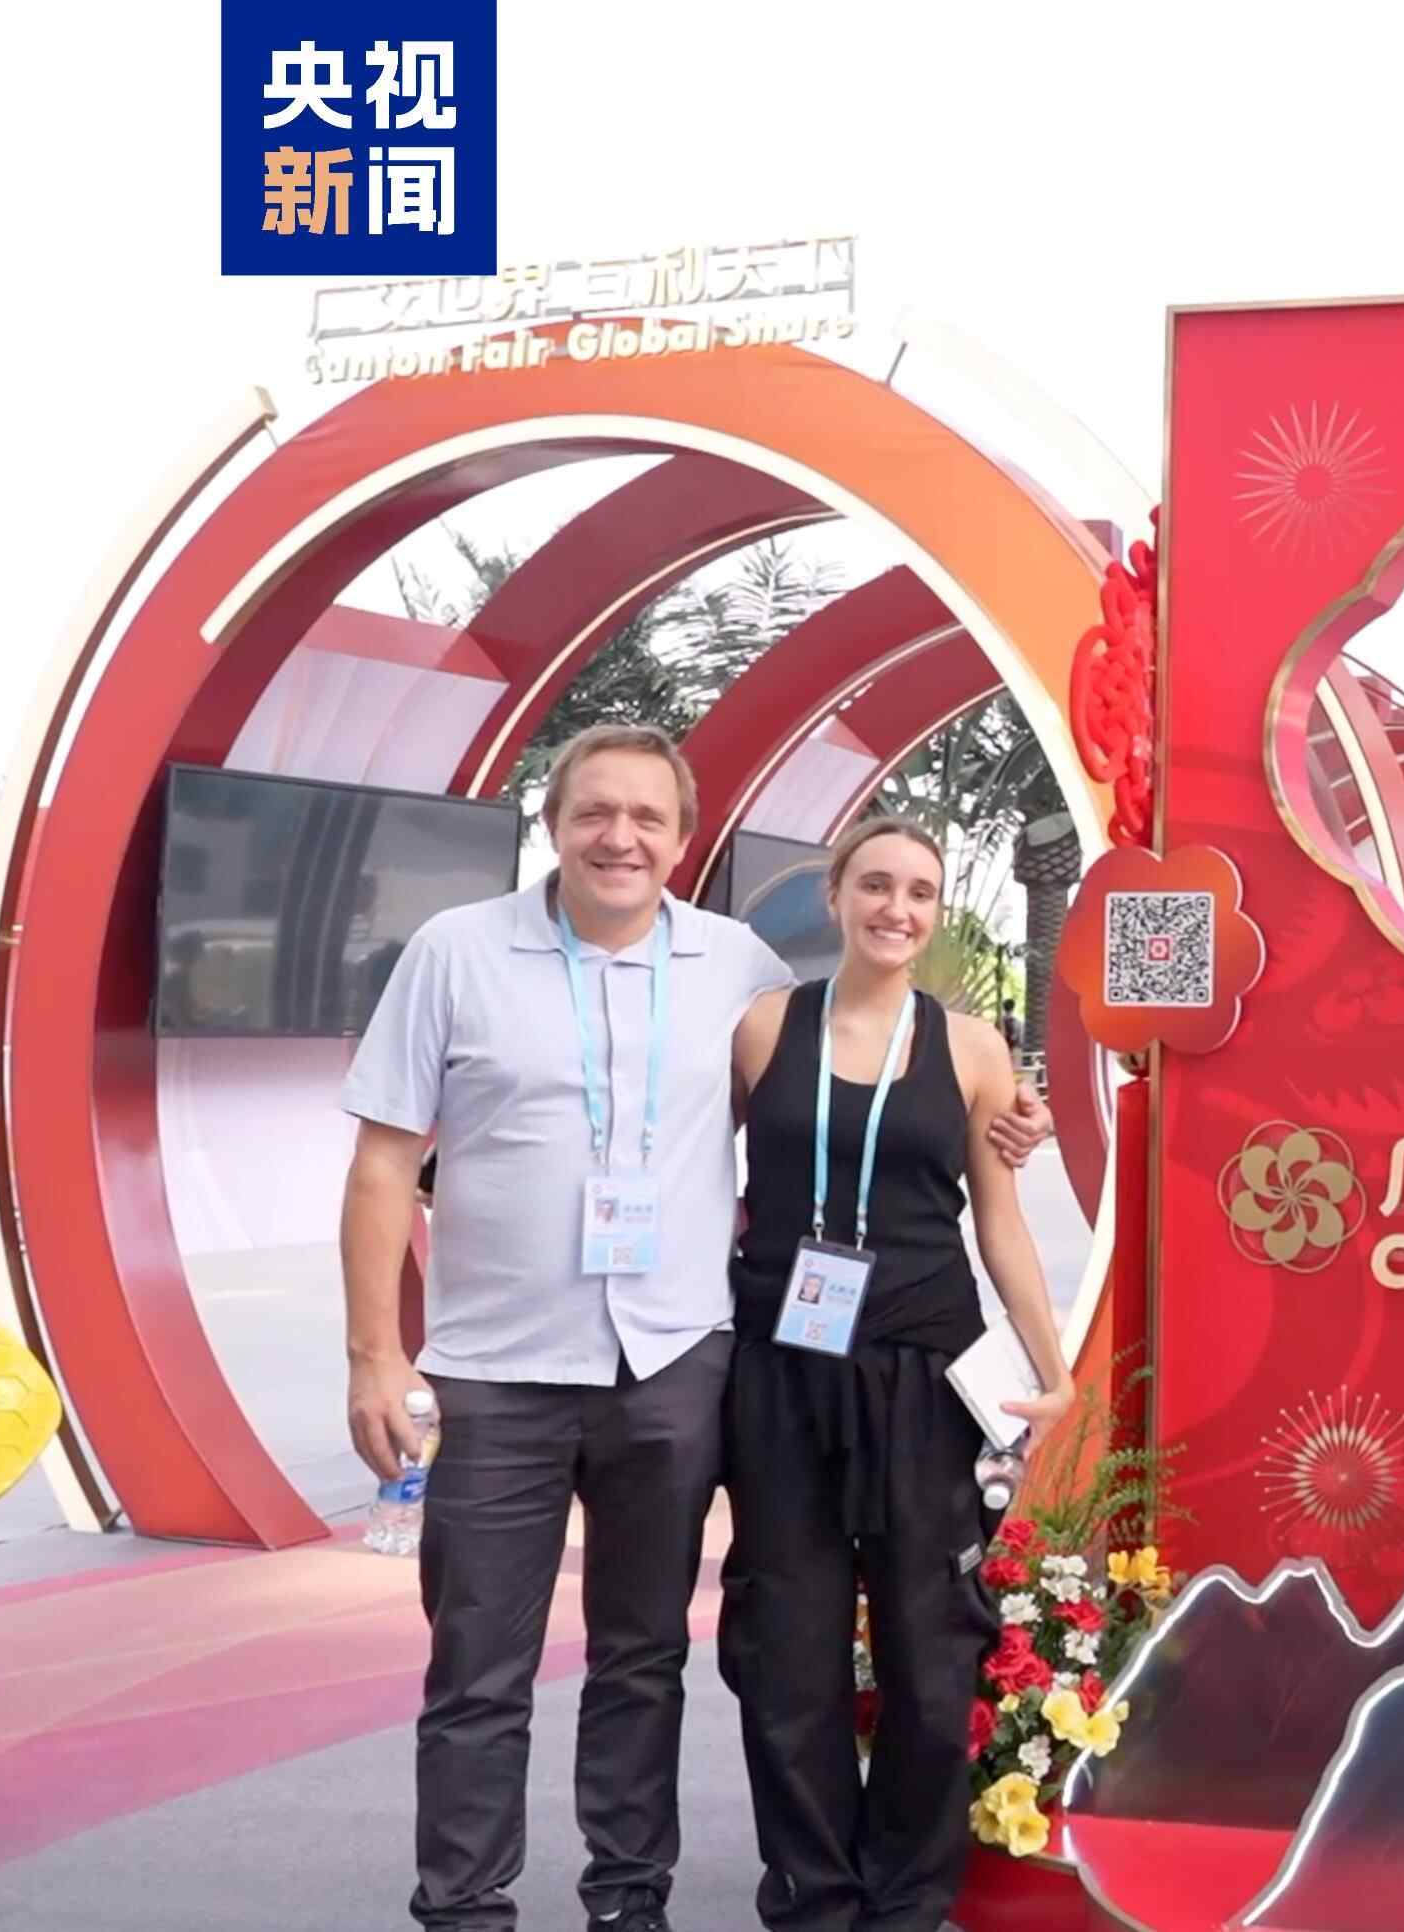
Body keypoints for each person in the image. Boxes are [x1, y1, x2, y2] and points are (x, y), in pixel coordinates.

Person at [339, 725, 1049, 1932]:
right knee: (477, 1670)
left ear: (681, 839)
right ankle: (463, 1908)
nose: (619, 838)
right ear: (552, 822)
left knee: (643, 1658)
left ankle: (629, 1903)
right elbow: (380, 1166)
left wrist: (1006, 1115)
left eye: (647, 819)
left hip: (669, 1363)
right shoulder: (457, 954)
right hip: (497, 1371)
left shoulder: (733, 969)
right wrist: (373, 1356)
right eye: (594, 813)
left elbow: (854, 1076)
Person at [722, 817, 1075, 1932]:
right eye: (875, 885)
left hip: (925, 1376)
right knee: (788, 1648)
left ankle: (908, 1899)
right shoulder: (763, 1028)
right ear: (835, 896)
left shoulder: (970, 1049)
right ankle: (813, 1895)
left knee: (930, 1651)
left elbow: (1000, 1224)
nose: (897, 909)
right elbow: (693, 1176)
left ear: (935, 912)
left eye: (919, 892)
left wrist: (1053, 1369)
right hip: (785, 1372)